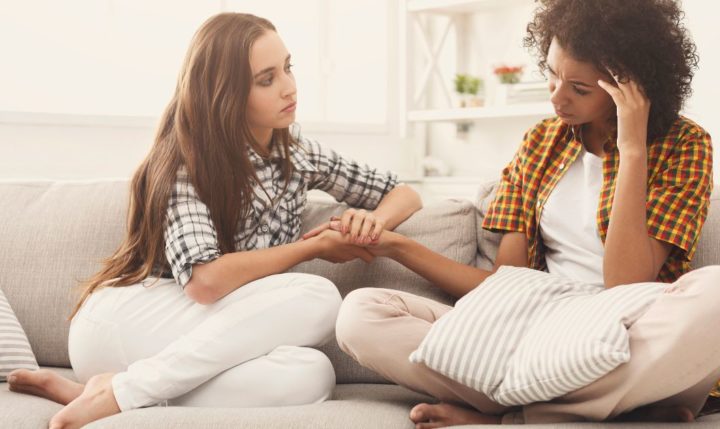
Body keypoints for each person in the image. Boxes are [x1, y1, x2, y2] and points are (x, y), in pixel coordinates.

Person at [333, 0, 720, 426]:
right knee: (361, 313)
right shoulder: (541, 142)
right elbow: (504, 288)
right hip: (538, 328)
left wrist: (631, 148)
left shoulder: (685, 143)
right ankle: (604, 411)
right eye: (552, 74)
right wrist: (395, 246)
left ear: (630, 87)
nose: (556, 96)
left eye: (579, 88)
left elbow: (626, 283)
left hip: (631, 327)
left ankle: (516, 417)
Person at [6, 12, 422, 429]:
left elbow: (403, 193)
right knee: (319, 296)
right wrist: (314, 248)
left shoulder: (298, 153)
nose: (289, 87)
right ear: (226, 93)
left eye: (288, 68)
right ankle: (121, 392)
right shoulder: (185, 161)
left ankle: (110, 391)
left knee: (311, 374)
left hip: (186, 343)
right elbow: (204, 282)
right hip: (125, 322)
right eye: (267, 79)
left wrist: (374, 222)